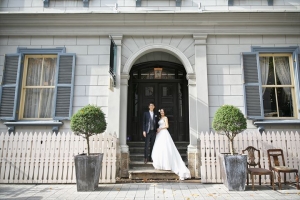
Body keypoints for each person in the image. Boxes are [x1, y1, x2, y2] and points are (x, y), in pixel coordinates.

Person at [151, 108, 191, 180]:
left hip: (164, 133)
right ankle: (161, 164)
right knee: (160, 148)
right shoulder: (160, 118)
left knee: (166, 147)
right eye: (161, 111)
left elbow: (167, 126)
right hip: (159, 134)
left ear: (164, 112)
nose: (162, 112)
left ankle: (167, 164)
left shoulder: (165, 118)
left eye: (163, 111)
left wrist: (160, 129)